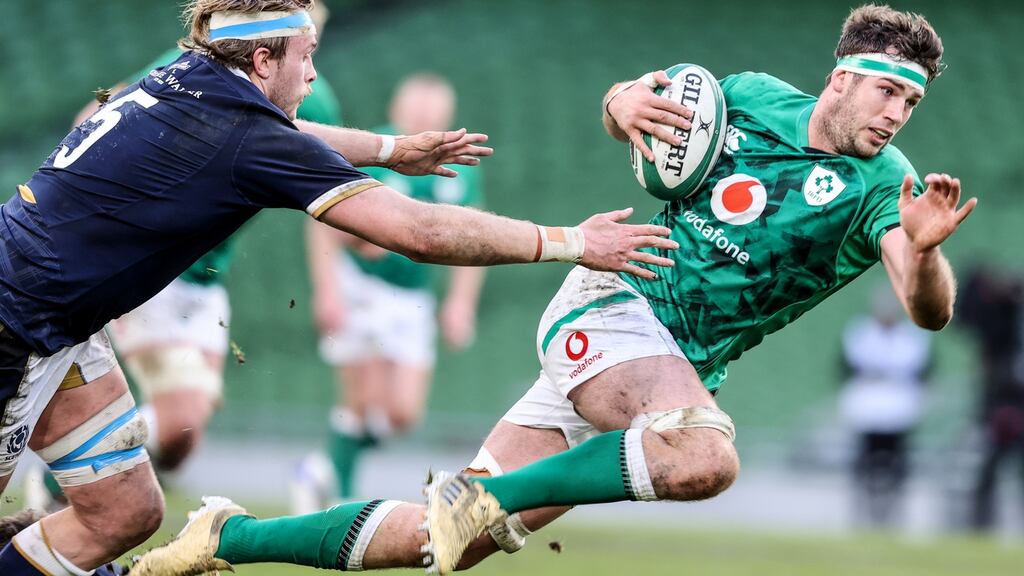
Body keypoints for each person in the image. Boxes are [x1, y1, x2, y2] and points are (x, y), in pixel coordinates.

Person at [130, 5, 975, 576]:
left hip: (668, 358)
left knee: (437, 544)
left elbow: (923, 305)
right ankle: (483, 498)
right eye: (888, 90)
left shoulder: (884, 186)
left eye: (912, 101)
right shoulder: (749, 98)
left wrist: (929, 252)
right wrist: (621, 103)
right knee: (701, 454)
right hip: (619, 299)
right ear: (841, 80)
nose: (898, 113)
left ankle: (223, 535)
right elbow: (632, 109)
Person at [0, 0, 674, 574]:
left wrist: (393, 150)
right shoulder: (243, 135)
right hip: (16, 328)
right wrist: (572, 242)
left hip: (52, 321)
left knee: (126, 511)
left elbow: (290, 131)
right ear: (264, 62)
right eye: (306, 53)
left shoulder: (191, 77)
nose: (315, 70)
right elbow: (419, 230)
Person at [24, 3, 345, 515]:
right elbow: (96, 114)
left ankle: (72, 482)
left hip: (203, 278)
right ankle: (68, 484)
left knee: (183, 437)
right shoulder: (197, 69)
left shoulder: (318, 102)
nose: (308, 65)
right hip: (154, 271)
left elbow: (328, 191)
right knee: (179, 419)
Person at [292, 72, 486, 511]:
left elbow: (473, 235)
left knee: (402, 413)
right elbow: (321, 218)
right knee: (360, 399)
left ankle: (320, 468)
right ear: (398, 109)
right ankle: (338, 498)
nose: (424, 117)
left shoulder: (461, 165)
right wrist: (329, 292)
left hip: (412, 299)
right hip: (359, 285)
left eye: (433, 110)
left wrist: (460, 303)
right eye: (416, 108)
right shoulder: (375, 147)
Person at [838, 286, 932, 528]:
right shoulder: (861, 334)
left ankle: (894, 511)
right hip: (868, 407)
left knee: (898, 464)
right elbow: (846, 368)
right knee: (864, 462)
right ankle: (862, 509)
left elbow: (924, 371)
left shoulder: (911, 338)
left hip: (899, 408)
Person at [957, 266, 1024, 531]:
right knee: (989, 464)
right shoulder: (1001, 321)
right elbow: (967, 313)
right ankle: (980, 523)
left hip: (1012, 400)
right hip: (1001, 402)